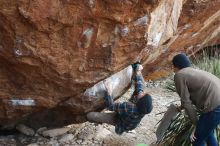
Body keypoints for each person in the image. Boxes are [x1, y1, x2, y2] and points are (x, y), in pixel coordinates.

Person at [86, 62, 153, 135]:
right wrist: (138, 71)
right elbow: (140, 88)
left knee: (90, 115)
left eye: (142, 95)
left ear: (138, 102)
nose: (142, 93)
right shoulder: (144, 107)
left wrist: (109, 91)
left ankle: (101, 120)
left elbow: (110, 106)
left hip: (119, 121)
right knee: (140, 88)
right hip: (129, 120)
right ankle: (120, 114)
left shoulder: (129, 107)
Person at [172, 53, 220, 146]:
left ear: (176, 67)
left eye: (173, 67)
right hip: (216, 106)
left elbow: (186, 102)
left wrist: (196, 123)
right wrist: (181, 107)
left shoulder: (179, 75)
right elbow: (189, 97)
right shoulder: (195, 72)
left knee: (197, 139)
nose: (173, 70)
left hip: (214, 107)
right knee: (206, 133)